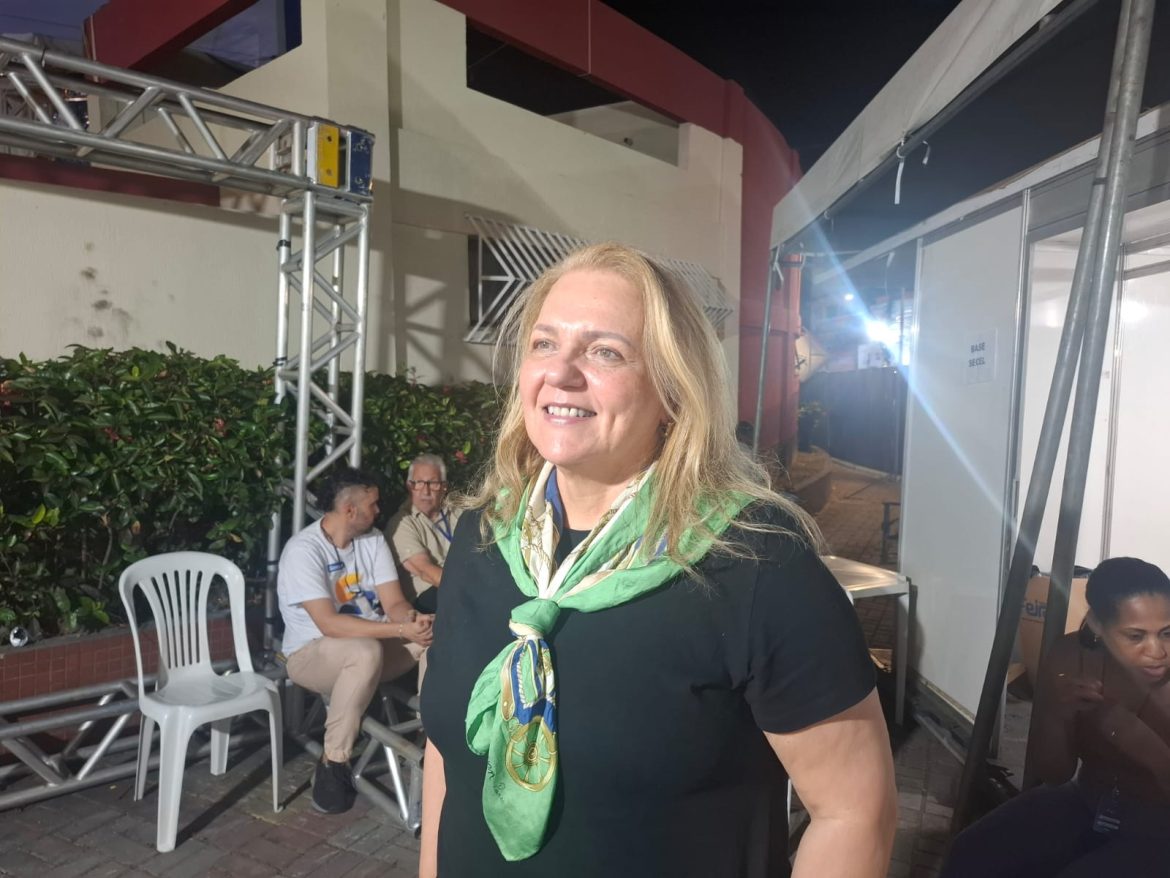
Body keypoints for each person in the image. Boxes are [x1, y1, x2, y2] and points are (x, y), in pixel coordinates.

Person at [419, 243, 896, 877]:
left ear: (673, 390)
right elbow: (446, 749)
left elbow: (854, 813)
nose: (560, 372)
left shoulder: (754, 560)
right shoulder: (484, 535)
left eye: (605, 352)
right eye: (544, 344)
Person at [941, 557, 1170, 877]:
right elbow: (1055, 773)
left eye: (1167, 633)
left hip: (1160, 826)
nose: (1157, 651)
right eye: (1136, 636)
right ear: (1097, 626)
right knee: (970, 853)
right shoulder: (1071, 657)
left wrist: (1133, 736)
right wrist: (1059, 718)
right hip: (1088, 801)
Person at [277, 466, 434, 814]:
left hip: (372, 648)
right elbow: (330, 624)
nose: (378, 510)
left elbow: (393, 603)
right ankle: (333, 761)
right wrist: (399, 631)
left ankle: (432, 736)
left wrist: (412, 620)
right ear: (350, 510)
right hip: (310, 655)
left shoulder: (372, 539)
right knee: (363, 651)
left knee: (431, 636)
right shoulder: (304, 550)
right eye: (373, 504)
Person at [385, 453, 462, 615]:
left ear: (444, 486)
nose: (425, 491)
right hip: (427, 595)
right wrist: (469, 587)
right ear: (409, 486)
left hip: (461, 584)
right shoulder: (402, 523)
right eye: (419, 483)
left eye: (433, 483)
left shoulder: (458, 513)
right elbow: (425, 571)